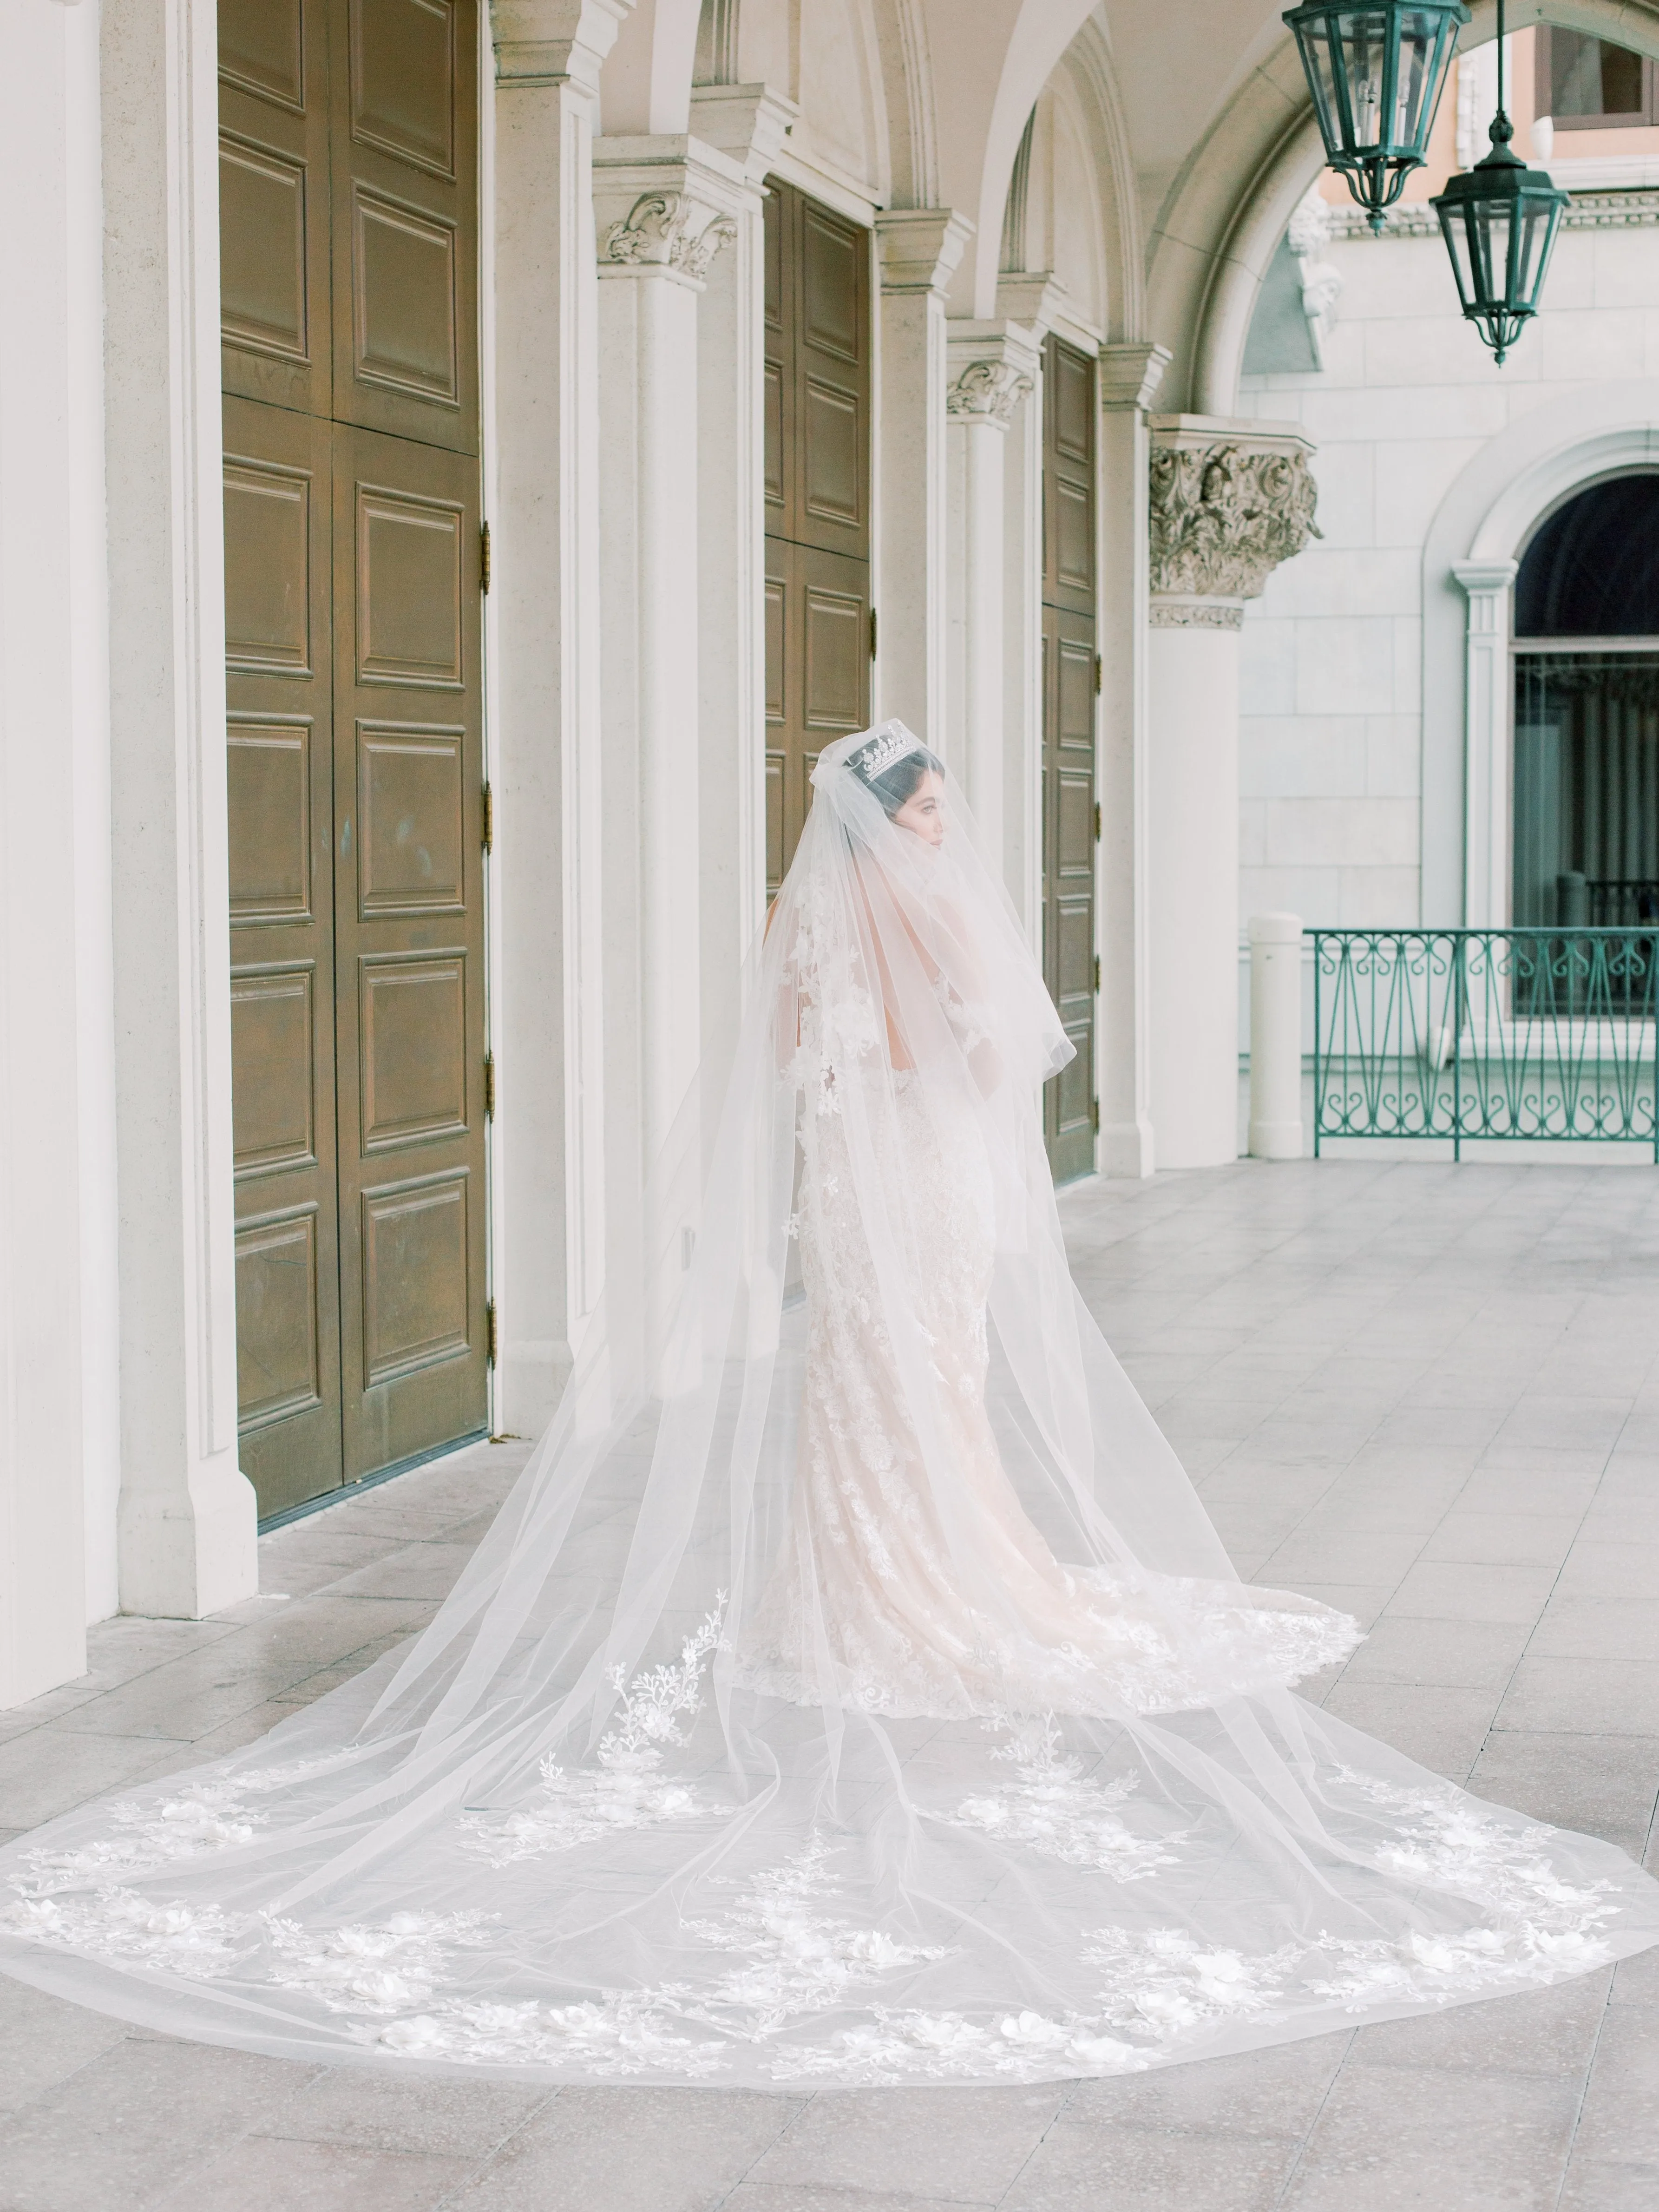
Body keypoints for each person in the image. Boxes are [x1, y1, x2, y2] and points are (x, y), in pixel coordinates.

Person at [1, 722, 1655, 2086]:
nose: (947, 823)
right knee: (910, 1382)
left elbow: (794, 1054)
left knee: (872, 1384)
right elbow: (993, 1062)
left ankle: (857, 1594)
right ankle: (905, 1592)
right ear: (893, 819)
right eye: (931, 804)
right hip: (920, 1190)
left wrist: (860, 1098)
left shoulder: (814, 921)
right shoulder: (927, 913)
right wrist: (947, 1066)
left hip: (851, 1196)